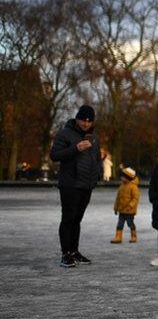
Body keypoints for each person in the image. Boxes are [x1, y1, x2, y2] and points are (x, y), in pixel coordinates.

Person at [50, 105, 101, 268]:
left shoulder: (93, 138)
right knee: (68, 219)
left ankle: (74, 251)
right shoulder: (65, 133)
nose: (86, 124)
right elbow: (54, 155)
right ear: (77, 118)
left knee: (77, 220)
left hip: (86, 185)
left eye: (89, 121)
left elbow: (97, 159)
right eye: (83, 120)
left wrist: (97, 176)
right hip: (70, 184)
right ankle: (65, 254)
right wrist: (75, 148)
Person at [111, 166, 140, 244]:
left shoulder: (133, 187)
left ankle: (133, 236)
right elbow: (118, 198)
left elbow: (135, 198)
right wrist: (115, 208)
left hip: (129, 211)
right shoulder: (121, 186)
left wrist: (130, 206)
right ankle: (118, 237)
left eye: (123, 176)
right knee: (120, 224)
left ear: (128, 178)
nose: (121, 178)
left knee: (130, 223)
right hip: (121, 210)